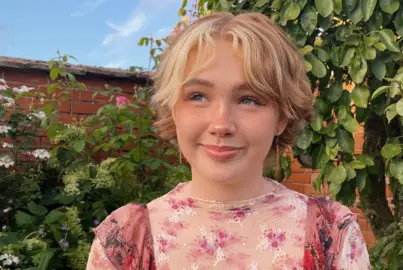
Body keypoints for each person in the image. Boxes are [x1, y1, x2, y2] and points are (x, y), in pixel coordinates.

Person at [86, 11, 370, 270]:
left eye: (249, 99)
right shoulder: (125, 240)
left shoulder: (331, 234)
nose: (221, 124)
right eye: (198, 96)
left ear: (281, 117)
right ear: (173, 109)